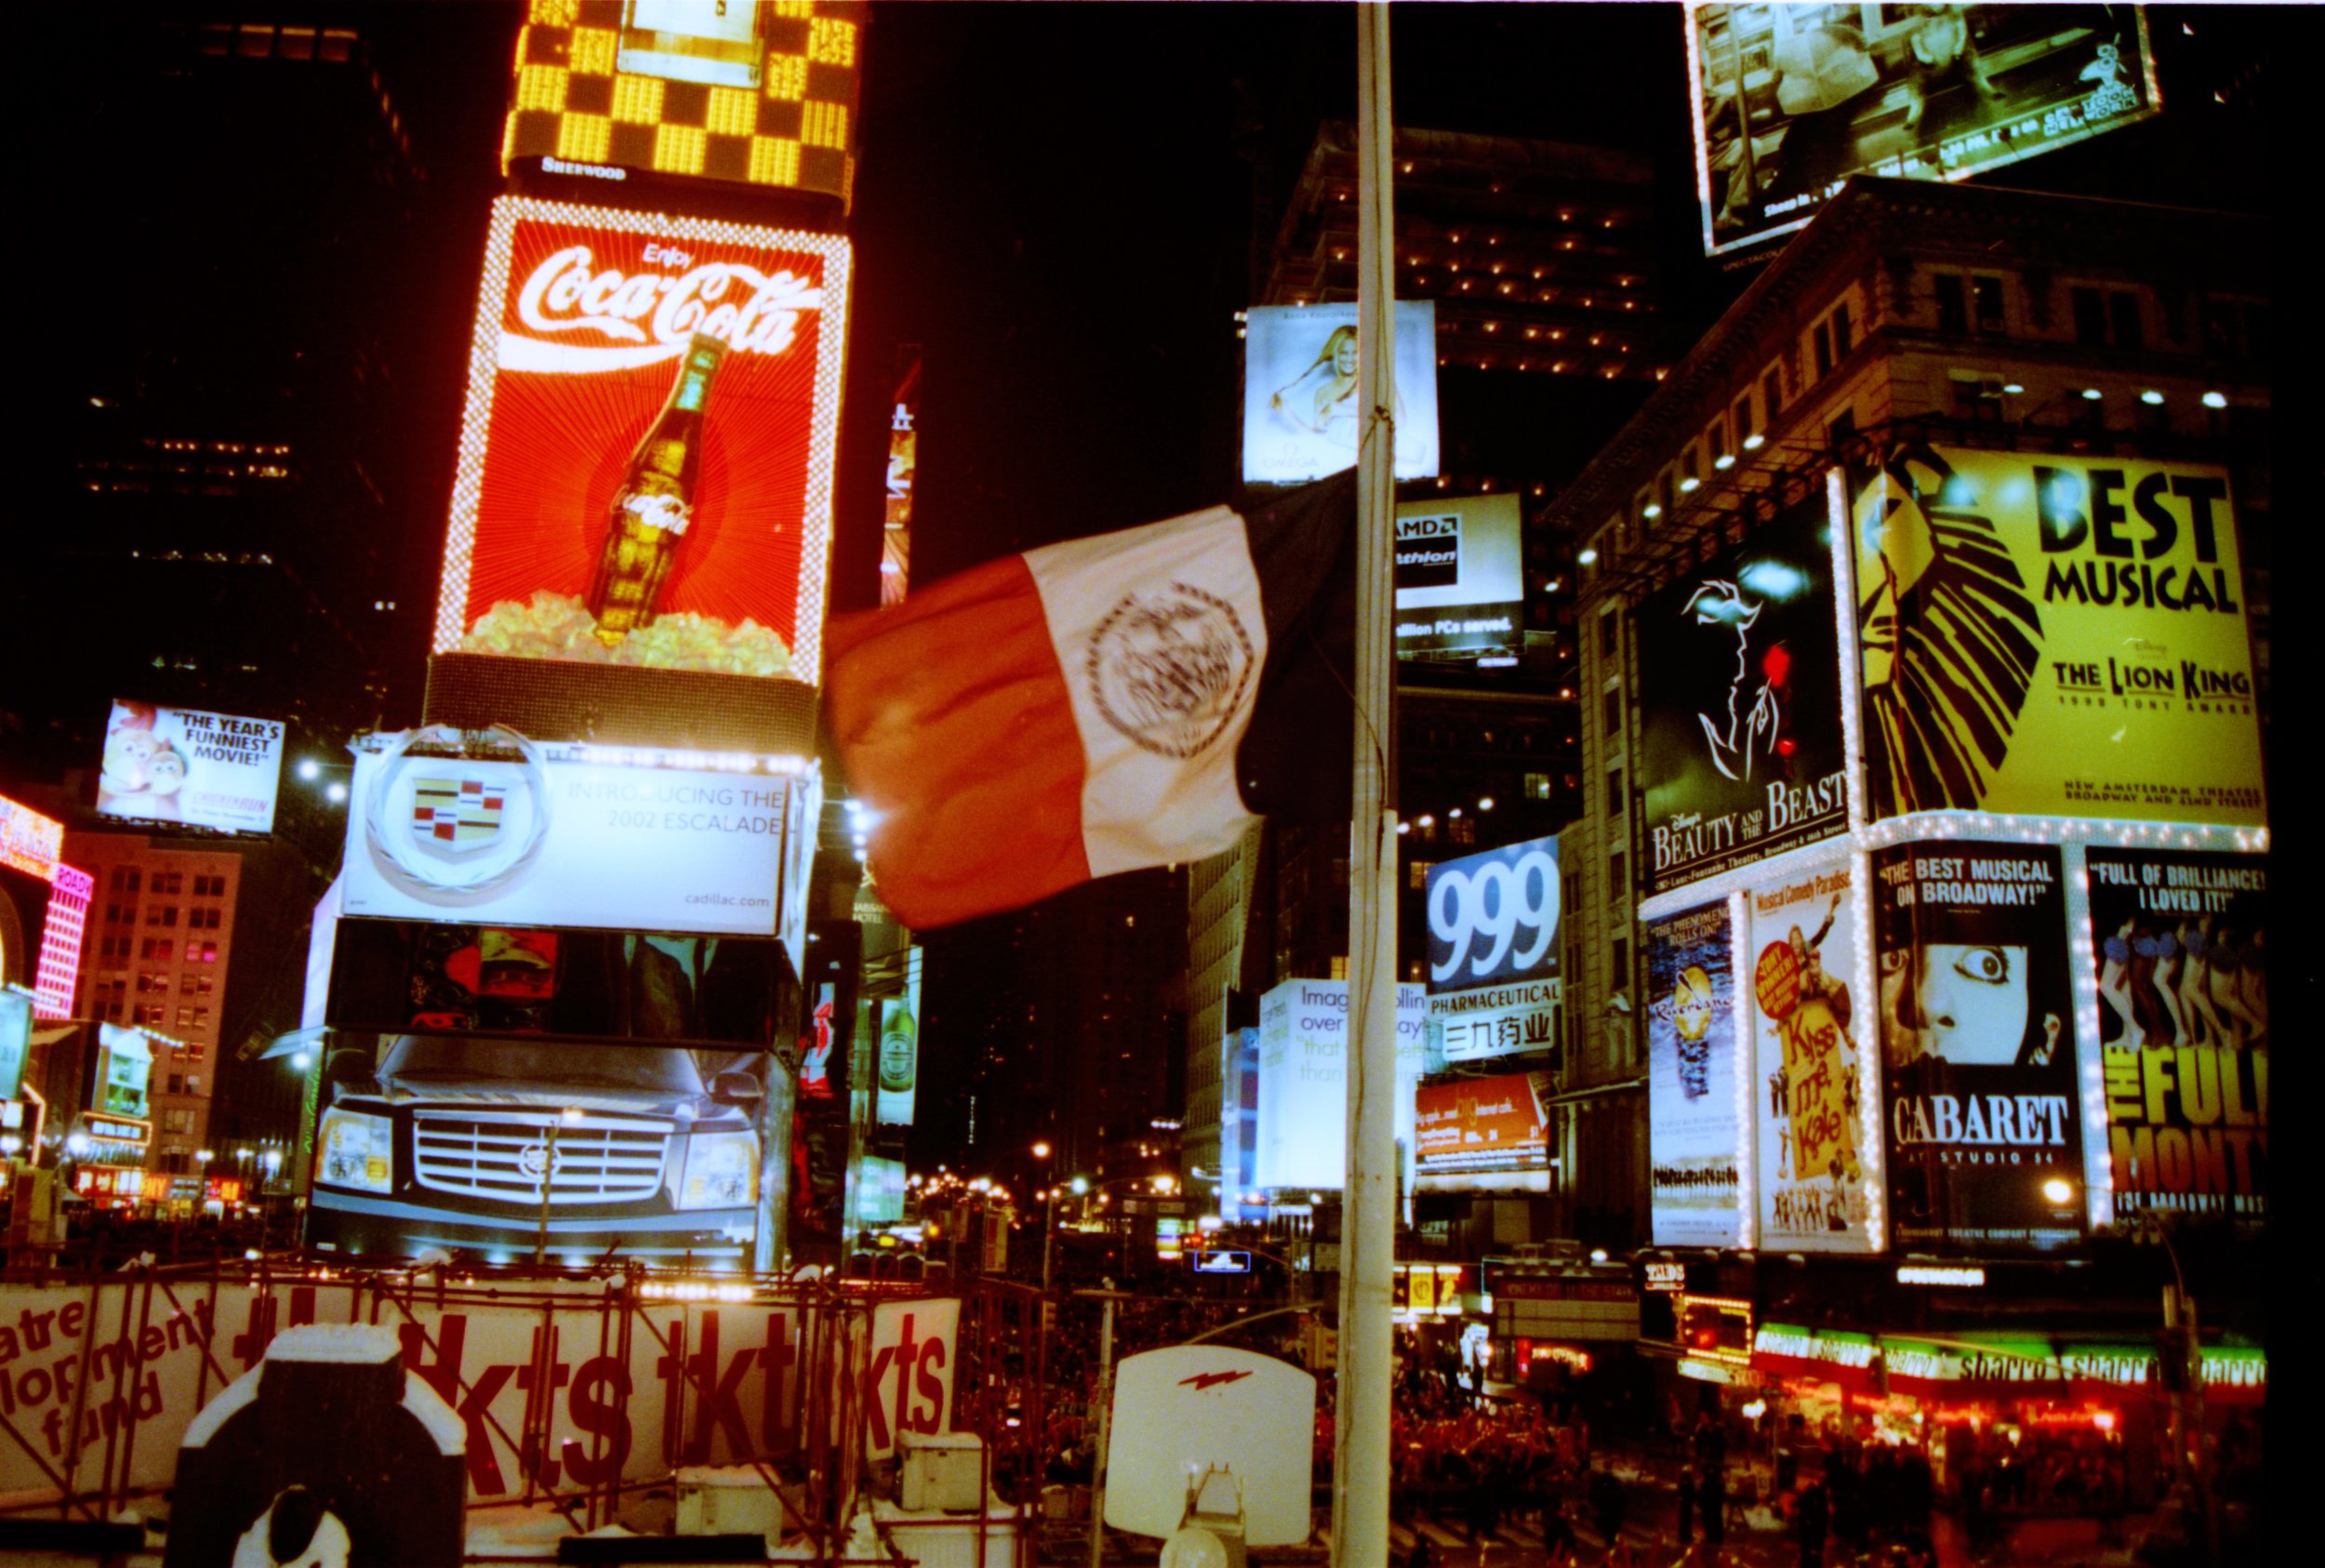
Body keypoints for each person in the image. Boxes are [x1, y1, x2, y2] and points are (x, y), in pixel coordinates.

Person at [1798, 1478, 1830, 1568]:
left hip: (1808, 1534)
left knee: (1807, 1557)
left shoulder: (1810, 1496)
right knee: (1814, 1558)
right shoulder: (1820, 1498)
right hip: (1814, 1534)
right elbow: (1824, 1517)